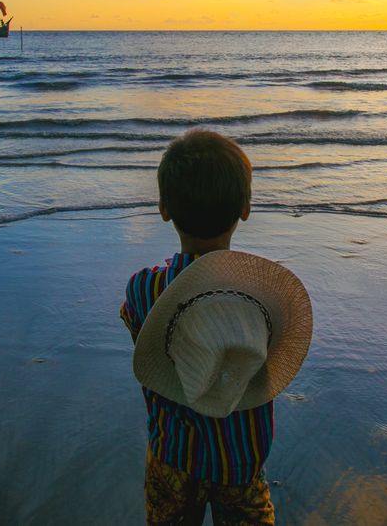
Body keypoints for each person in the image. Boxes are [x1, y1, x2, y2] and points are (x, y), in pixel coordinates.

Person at [120, 129, 313, 526]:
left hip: (173, 451)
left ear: (163, 208)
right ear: (245, 208)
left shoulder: (144, 288)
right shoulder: (261, 299)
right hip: (240, 457)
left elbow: (145, 343)